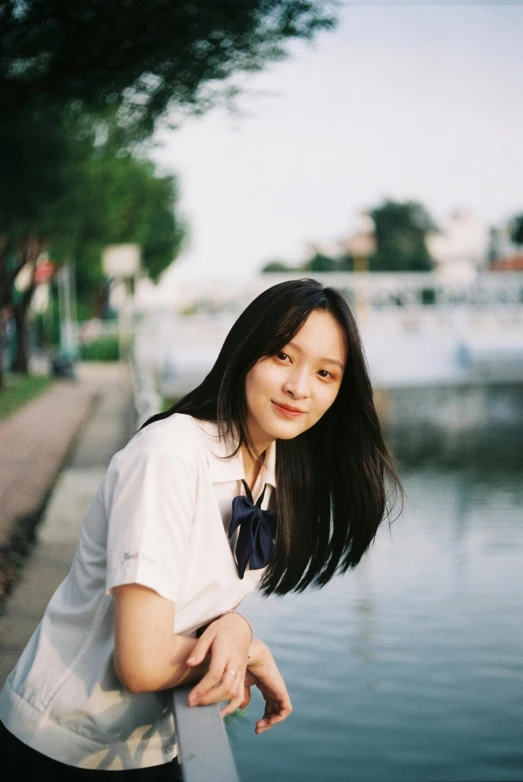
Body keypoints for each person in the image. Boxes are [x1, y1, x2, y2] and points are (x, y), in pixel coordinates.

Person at [0, 278, 402, 779]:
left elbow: (209, 605)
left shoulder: (268, 472)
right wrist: (249, 650)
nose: (300, 387)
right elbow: (143, 661)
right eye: (282, 356)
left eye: (325, 373)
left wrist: (236, 627)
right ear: (245, 350)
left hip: (152, 743)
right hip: (61, 746)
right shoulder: (170, 456)